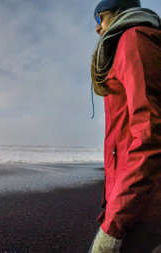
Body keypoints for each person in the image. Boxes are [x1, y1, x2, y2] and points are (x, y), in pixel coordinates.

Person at [89, 0, 161, 252]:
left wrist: (114, 225)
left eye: (100, 19)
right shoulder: (125, 44)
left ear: (119, 12)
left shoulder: (135, 39)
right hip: (134, 200)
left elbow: (149, 138)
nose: (97, 28)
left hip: (144, 210)